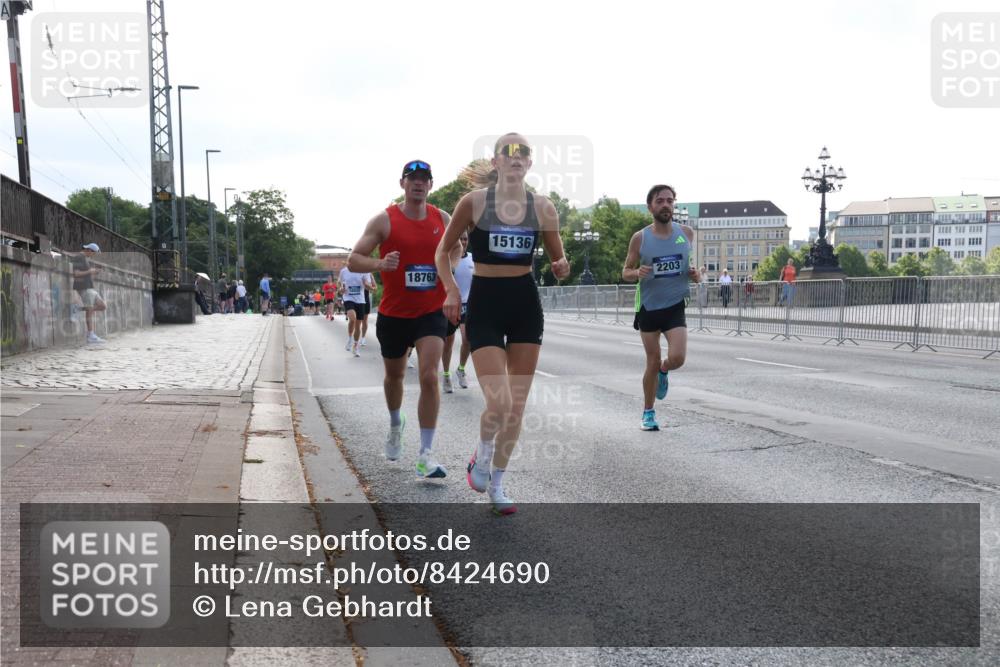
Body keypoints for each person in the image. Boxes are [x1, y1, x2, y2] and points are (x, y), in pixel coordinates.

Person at [436, 134, 570, 515]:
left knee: (517, 407)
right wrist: (450, 290)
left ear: (530, 163)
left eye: (523, 152)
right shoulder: (475, 203)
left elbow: (561, 265)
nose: (516, 157)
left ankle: (497, 483)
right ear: (495, 162)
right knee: (500, 401)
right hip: (487, 304)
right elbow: (442, 251)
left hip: (525, 304)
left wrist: (562, 267)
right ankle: (482, 452)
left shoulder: (543, 208)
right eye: (508, 151)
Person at [348, 159, 461, 479]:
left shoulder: (443, 218)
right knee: (394, 377)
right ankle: (396, 424)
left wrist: (447, 271)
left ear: (430, 185)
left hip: (430, 312)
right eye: (413, 178)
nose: (418, 183)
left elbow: (457, 248)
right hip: (394, 313)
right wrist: (381, 264)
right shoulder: (385, 220)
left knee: (428, 376)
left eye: (424, 179)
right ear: (402, 183)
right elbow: (354, 260)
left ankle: (426, 453)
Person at [622, 184, 698, 432]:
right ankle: (648, 412)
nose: (666, 205)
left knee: (677, 358)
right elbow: (625, 272)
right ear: (650, 207)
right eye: (660, 201)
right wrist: (637, 272)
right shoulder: (640, 237)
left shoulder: (686, 233)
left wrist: (695, 275)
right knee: (651, 361)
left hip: (675, 303)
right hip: (649, 307)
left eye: (669, 200)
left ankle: (666, 370)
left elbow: (689, 267)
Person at [442, 230, 474, 392]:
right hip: (450, 304)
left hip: (467, 304)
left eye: (466, 239)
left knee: (467, 339)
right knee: (448, 342)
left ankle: (461, 369)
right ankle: (446, 374)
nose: (463, 242)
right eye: (460, 238)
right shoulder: (447, 259)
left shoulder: (472, 259)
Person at [72, 243, 108, 344]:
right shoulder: (79, 257)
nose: (93, 256)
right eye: (94, 253)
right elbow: (76, 274)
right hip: (83, 288)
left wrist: (94, 272)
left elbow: (86, 274)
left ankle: (78, 309)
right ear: (89, 250)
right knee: (90, 309)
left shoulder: (84, 258)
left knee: (102, 306)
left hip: (89, 288)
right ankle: (90, 335)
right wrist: (90, 271)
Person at [339, 265, 369, 357]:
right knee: (352, 318)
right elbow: (340, 285)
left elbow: (367, 284)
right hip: (348, 298)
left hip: (360, 300)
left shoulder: (364, 270)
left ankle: (355, 346)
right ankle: (350, 338)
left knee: (358, 325)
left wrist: (369, 286)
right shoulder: (344, 271)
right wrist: (341, 289)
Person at [359, 272, 375, 346]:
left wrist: (371, 284)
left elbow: (375, 287)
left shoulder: (369, 274)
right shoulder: (356, 272)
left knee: (365, 320)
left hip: (366, 298)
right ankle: (356, 337)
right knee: (357, 320)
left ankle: (363, 338)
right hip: (357, 299)